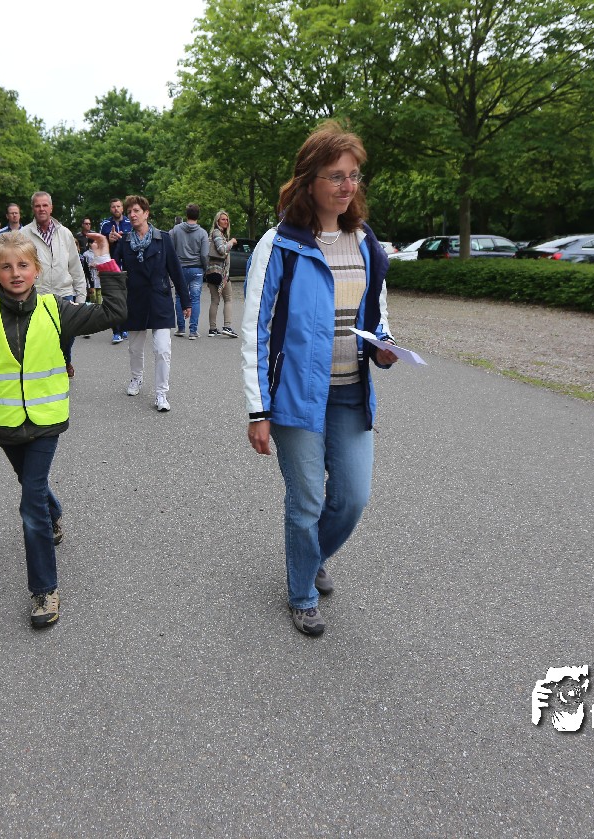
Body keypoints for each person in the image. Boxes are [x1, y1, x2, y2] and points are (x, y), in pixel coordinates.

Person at [240, 121, 398, 637]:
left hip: (351, 392)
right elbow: (256, 331)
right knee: (307, 499)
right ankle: (302, 593)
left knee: (351, 498)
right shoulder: (279, 245)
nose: (347, 186)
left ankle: (309, 558)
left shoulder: (366, 241)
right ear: (308, 181)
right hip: (295, 398)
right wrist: (258, 410)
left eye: (353, 175)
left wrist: (384, 345)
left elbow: (376, 313)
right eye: (336, 176)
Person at [0, 232, 126, 627]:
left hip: (45, 423)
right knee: (32, 485)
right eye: (6, 266)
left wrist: (105, 263)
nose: (15, 273)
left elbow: (114, 312)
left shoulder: (55, 308)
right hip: (5, 426)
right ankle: (53, 511)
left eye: (23, 265)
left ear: (37, 269)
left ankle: (44, 589)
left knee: (30, 503)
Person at [111, 194, 190, 413]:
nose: (132, 215)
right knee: (135, 348)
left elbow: (175, 270)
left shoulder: (163, 238)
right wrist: (111, 244)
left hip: (159, 299)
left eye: (136, 211)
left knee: (163, 349)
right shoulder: (125, 241)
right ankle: (136, 379)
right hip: (135, 300)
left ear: (146, 213)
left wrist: (185, 301)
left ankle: (161, 393)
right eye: (129, 212)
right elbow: (113, 268)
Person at [22, 191, 86, 376]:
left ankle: (65, 359)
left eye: (45, 205)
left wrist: (80, 298)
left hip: (64, 292)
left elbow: (75, 267)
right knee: (40, 335)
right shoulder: (23, 234)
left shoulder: (65, 233)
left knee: (68, 333)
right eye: (37, 206)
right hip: (37, 293)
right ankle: (45, 367)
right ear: (33, 208)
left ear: (51, 208)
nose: (41, 209)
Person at [169, 204, 209, 340]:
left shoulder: (176, 230)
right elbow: (204, 254)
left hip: (180, 268)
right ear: (198, 215)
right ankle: (193, 330)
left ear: (186, 215)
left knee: (179, 297)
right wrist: (205, 268)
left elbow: (170, 248)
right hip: (196, 269)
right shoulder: (202, 233)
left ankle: (181, 328)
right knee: (195, 299)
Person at [100, 198, 131, 345]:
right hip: (112, 267)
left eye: (118, 206)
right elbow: (99, 245)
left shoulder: (130, 223)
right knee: (113, 299)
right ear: (110, 209)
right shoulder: (105, 225)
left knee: (127, 298)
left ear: (122, 208)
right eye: (113, 207)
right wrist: (109, 240)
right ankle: (116, 332)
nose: (116, 209)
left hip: (128, 266)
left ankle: (125, 327)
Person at [205, 210, 238, 338]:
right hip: (220, 272)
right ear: (217, 221)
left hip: (211, 271)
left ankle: (213, 329)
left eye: (227, 219)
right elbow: (222, 250)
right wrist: (231, 242)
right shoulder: (217, 233)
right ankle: (227, 327)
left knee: (215, 300)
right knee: (228, 299)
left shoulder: (214, 234)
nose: (226, 221)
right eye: (223, 219)